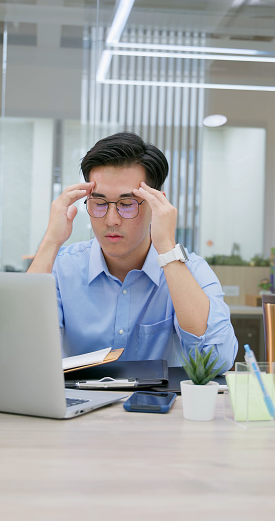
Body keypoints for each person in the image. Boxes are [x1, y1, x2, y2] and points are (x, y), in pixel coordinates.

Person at [28, 132, 237, 369]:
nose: (111, 219)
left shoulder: (190, 270)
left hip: (161, 406)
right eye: (100, 203)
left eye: (127, 204)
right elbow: (20, 348)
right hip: (78, 404)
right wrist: (51, 242)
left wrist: (167, 248)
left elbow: (218, 362)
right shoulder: (62, 266)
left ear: (157, 204)